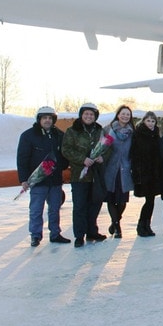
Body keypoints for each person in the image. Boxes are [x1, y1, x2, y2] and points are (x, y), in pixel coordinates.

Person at [16, 106, 70, 247]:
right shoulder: (28, 136)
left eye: (50, 118)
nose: (47, 120)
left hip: (55, 180)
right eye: (44, 118)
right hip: (38, 180)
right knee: (36, 210)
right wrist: (23, 179)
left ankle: (55, 233)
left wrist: (62, 165)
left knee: (54, 209)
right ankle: (35, 235)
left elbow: (65, 153)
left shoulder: (59, 134)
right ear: (39, 119)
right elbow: (22, 159)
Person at [63, 102, 110, 248]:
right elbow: (66, 149)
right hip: (79, 175)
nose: (89, 116)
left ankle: (92, 232)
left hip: (95, 174)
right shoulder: (72, 131)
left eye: (92, 114)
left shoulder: (99, 130)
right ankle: (79, 235)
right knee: (80, 206)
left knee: (95, 204)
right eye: (86, 114)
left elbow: (107, 147)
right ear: (81, 115)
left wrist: (103, 157)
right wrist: (82, 159)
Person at [104, 105, 135, 238]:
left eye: (128, 114)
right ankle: (117, 227)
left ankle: (114, 222)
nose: (125, 116)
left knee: (122, 200)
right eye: (123, 114)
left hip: (125, 169)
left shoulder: (133, 132)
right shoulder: (108, 130)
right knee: (111, 199)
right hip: (111, 169)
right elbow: (102, 147)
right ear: (118, 115)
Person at [130, 111, 162, 237]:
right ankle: (141, 224)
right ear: (143, 121)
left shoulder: (156, 135)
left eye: (153, 121)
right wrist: (137, 172)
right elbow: (134, 154)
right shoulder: (138, 134)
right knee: (148, 200)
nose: (150, 123)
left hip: (154, 173)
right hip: (143, 172)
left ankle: (146, 225)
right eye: (148, 120)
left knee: (151, 200)